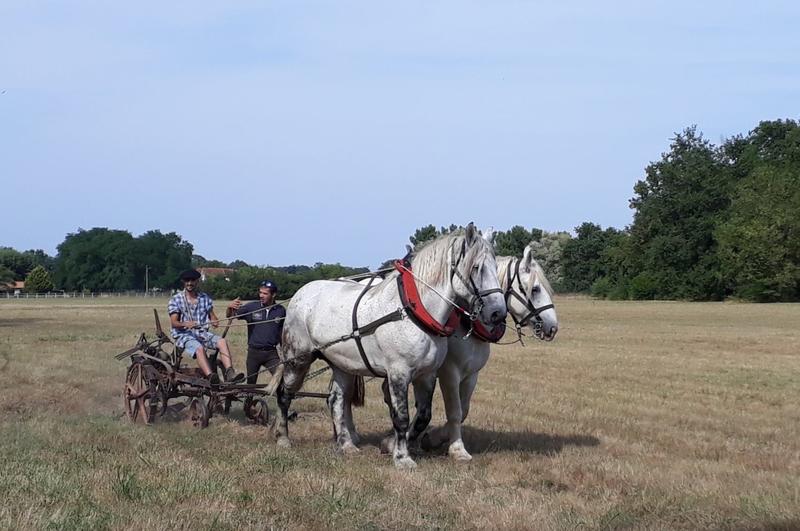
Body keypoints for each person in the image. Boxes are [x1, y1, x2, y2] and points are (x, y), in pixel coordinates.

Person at [168, 269, 244, 384]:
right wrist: (186, 324)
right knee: (199, 348)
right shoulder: (176, 299)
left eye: (192, 280)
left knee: (222, 341)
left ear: (197, 281)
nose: (190, 283)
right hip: (184, 335)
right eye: (187, 280)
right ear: (183, 282)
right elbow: (174, 323)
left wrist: (214, 321)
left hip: (202, 333)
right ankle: (211, 377)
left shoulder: (205, 298)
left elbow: (213, 318)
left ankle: (230, 373)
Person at [226, 280, 286, 385]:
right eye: (260, 292)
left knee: (281, 379)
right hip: (254, 353)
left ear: (274, 295)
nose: (261, 296)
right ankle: (249, 401)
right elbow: (230, 315)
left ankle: (281, 401)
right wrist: (230, 307)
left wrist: (284, 352)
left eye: (265, 293)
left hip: (271, 354)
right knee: (251, 385)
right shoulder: (251, 307)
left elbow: (282, 332)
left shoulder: (281, 310)